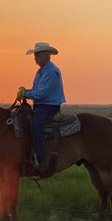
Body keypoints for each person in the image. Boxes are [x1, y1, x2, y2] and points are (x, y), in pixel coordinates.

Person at [16, 42, 66, 171]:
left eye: (38, 55)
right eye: (35, 55)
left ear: (47, 55)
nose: (35, 58)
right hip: (41, 106)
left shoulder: (51, 72)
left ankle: (41, 161)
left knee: (35, 125)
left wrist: (26, 93)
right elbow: (37, 90)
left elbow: (42, 93)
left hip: (49, 106)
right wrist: (26, 91)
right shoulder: (41, 71)